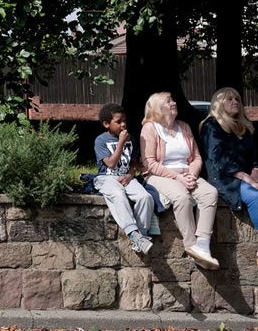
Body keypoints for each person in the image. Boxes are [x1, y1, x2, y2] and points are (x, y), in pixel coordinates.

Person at [140, 91, 219, 270]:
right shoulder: (150, 128)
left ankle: (203, 245)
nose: (174, 103)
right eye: (168, 101)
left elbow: (197, 157)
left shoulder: (184, 126)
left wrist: (191, 174)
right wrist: (178, 178)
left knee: (210, 193)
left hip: (187, 173)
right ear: (157, 108)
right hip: (160, 175)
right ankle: (191, 246)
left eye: (173, 100)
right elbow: (149, 163)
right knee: (182, 197)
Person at [200, 87, 258, 262]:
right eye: (229, 99)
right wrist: (245, 177)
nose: (235, 102)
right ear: (218, 103)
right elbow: (217, 159)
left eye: (237, 99)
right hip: (225, 178)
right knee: (256, 196)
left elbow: (254, 155)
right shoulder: (211, 126)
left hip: (247, 176)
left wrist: (255, 170)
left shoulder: (244, 127)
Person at [93, 103, 154, 254]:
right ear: (106, 124)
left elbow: (134, 164)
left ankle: (141, 236)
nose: (123, 125)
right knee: (118, 195)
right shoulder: (101, 141)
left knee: (145, 197)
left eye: (124, 121)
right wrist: (121, 142)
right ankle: (133, 233)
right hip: (106, 178)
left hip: (125, 178)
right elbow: (111, 164)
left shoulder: (131, 139)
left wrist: (130, 175)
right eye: (118, 122)